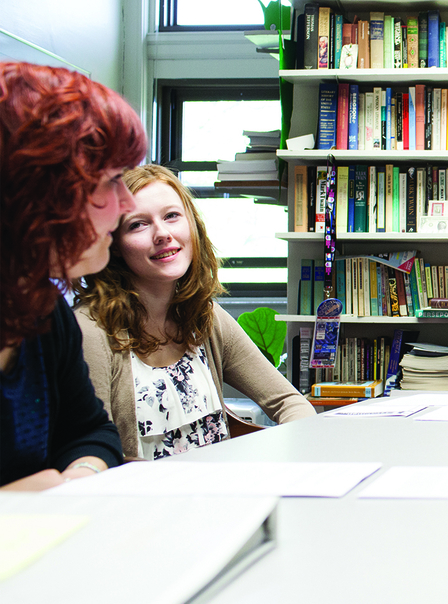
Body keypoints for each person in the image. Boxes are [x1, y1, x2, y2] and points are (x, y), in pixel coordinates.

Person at [75, 165, 315, 460]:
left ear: (192, 225)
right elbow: (90, 452)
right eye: (138, 224)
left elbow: (290, 403)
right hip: (140, 502)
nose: (162, 234)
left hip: (225, 498)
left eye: (171, 216)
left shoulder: (205, 315)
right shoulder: (90, 332)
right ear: (113, 246)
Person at [1, 62, 145, 490]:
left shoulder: (42, 310)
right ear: (40, 193)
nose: (128, 205)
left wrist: (77, 477)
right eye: (111, 181)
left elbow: (90, 432)